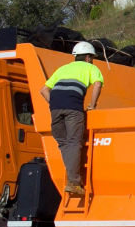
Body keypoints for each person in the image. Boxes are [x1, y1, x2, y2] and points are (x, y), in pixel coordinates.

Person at [40, 41, 103, 197]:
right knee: (74, 142)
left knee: (64, 144)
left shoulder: (63, 69)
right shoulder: (91, 68)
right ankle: (74, 183)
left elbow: (44, 90)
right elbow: (97, 85)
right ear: (88, 58)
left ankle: (71, 179)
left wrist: (54, 103)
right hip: (73, 107)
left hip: (55, 108)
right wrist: (92, 105)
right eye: (92, 58)